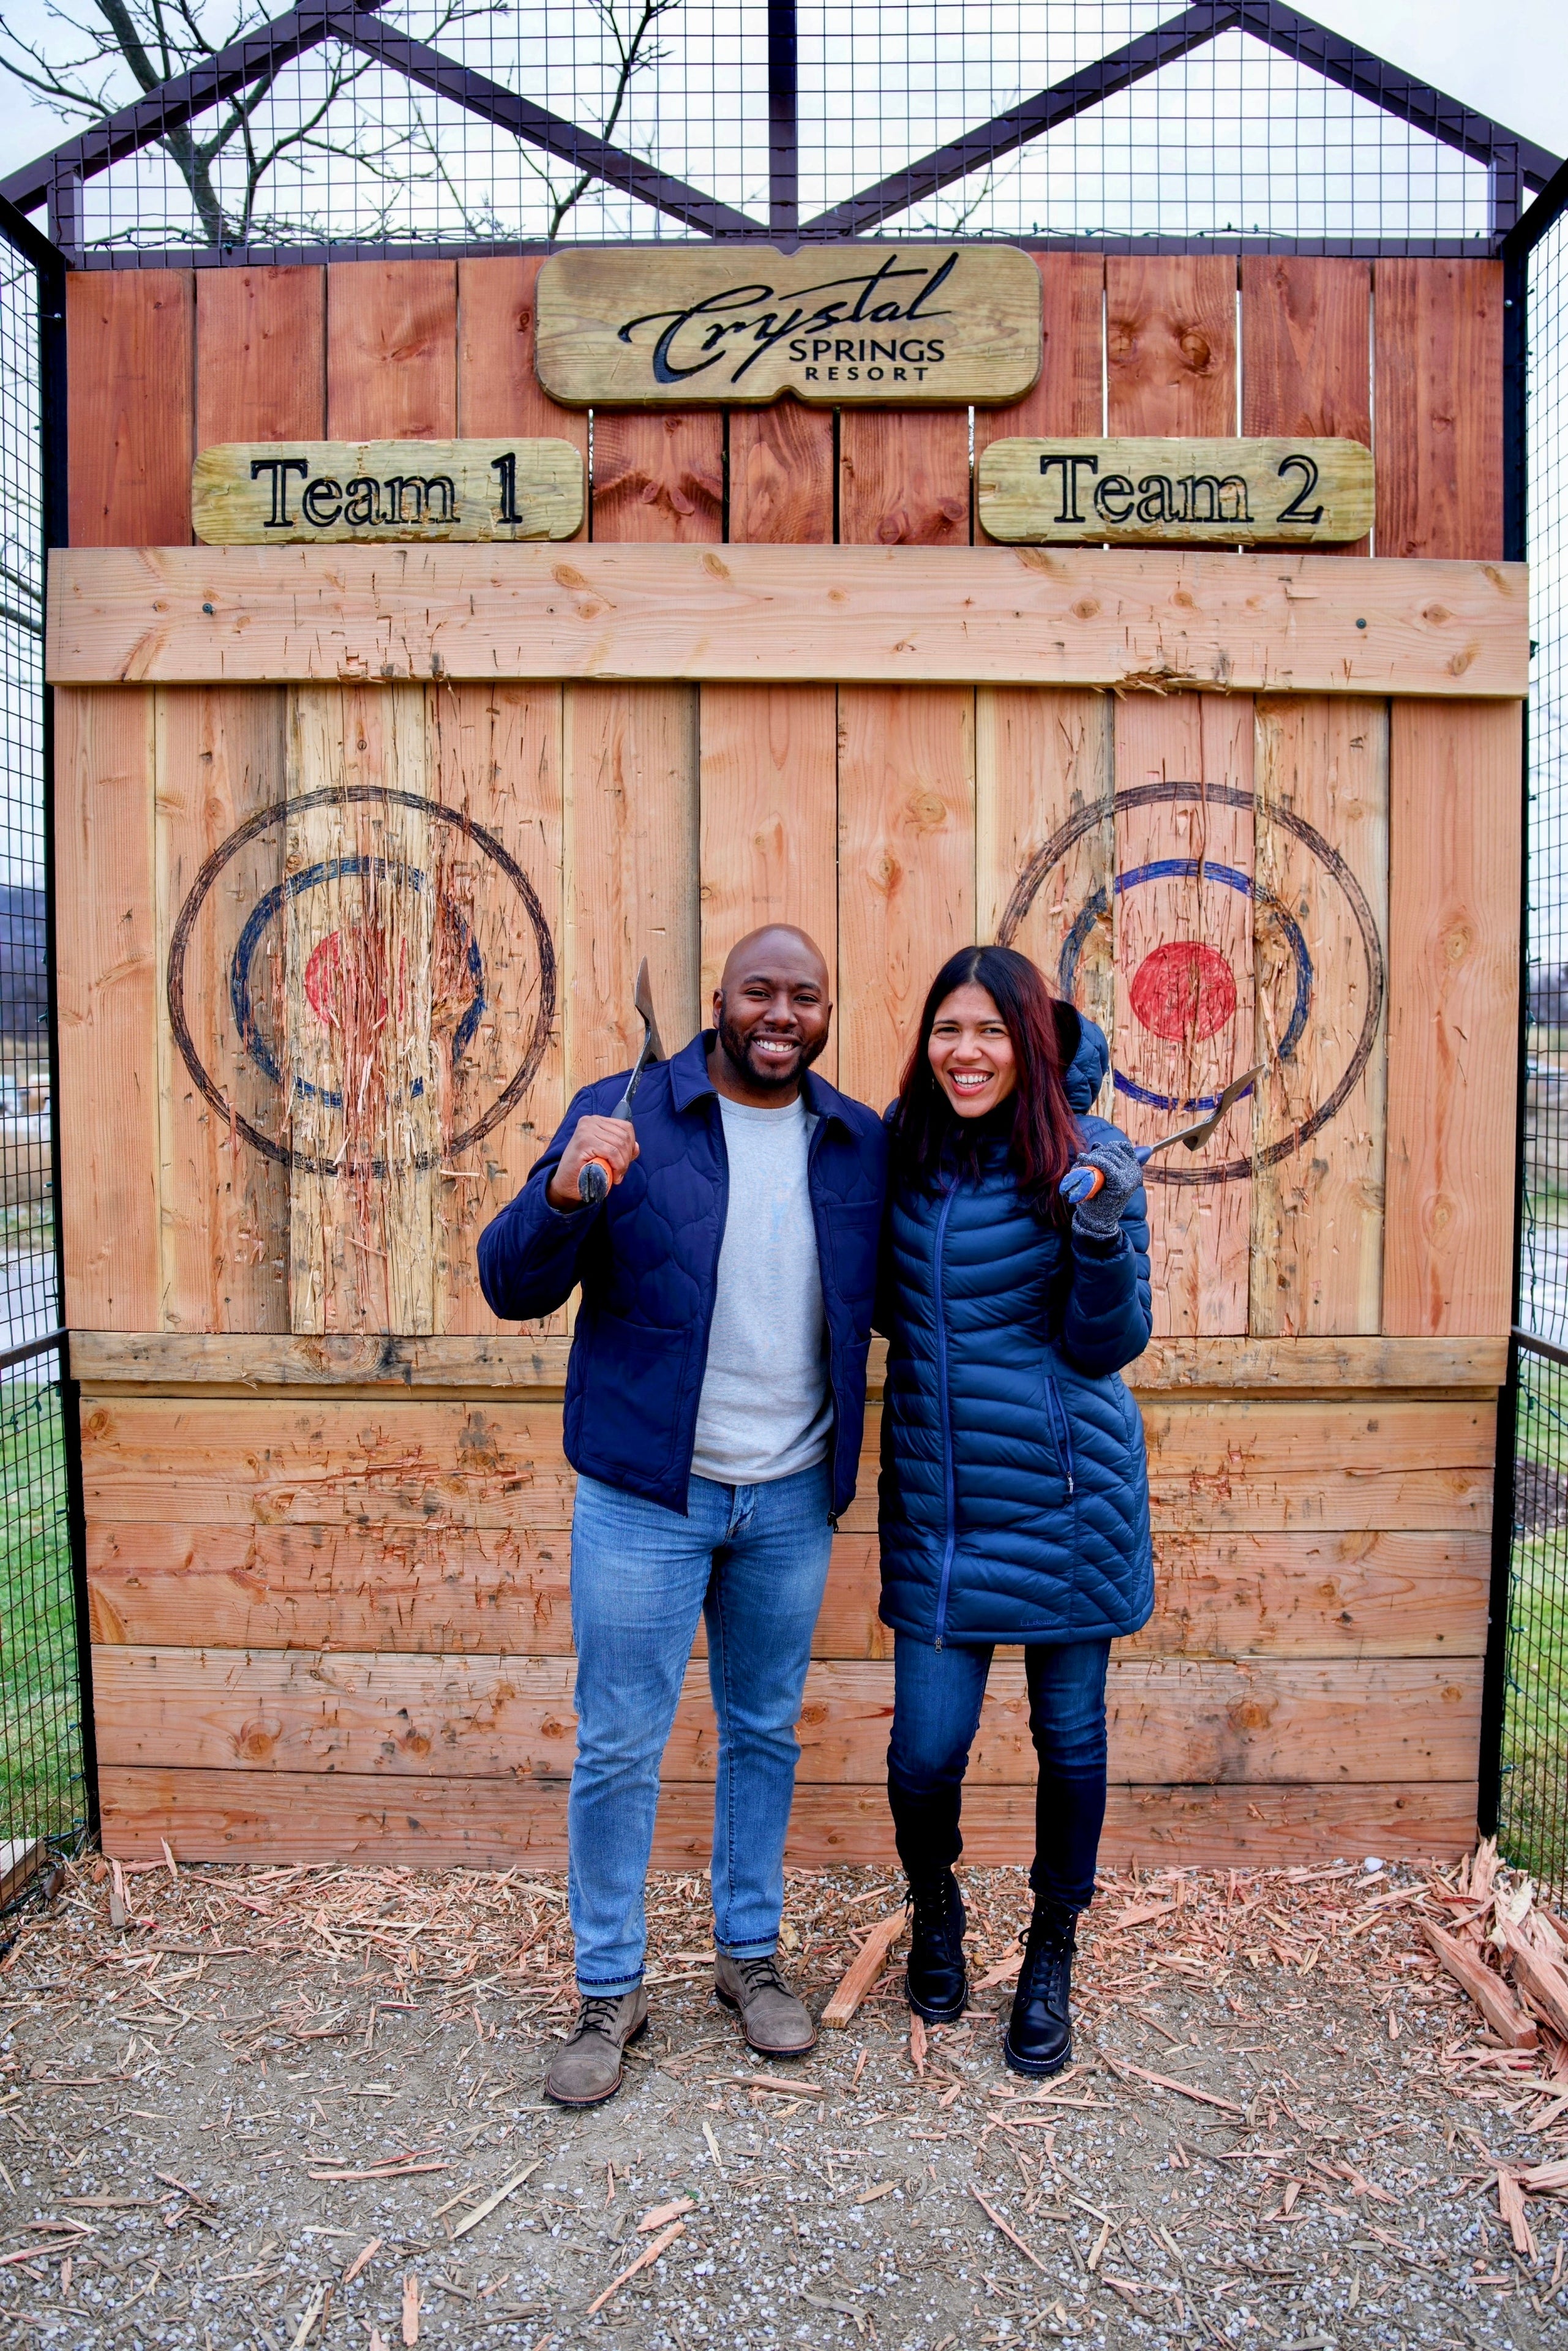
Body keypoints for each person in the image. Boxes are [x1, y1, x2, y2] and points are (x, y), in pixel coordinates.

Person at [478, 925, 887, 2108]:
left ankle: (747, 1958)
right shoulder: (621, 1112)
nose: (782, 1014)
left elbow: (907, 1289)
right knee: (619, 1743)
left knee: (763, 1731)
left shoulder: (855, 1139)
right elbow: (510, 1284)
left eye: (805, 996)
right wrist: (562, 1191)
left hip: (791, 1497)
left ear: (826, 1013)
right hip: (644, 1497)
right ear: (718, 1000)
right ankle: (609, 1987)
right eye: (760, 991)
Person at [877, 943, 1152, 2078]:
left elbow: (1107, 1343)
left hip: (1066, 1501)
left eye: (990, 1030)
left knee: (1067, 1738)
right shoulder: (903, 1149)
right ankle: (934, 1901)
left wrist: (1100, 1235)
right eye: (949, 1028)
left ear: (1030, 1041)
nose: (967, 1051)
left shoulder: (1088, 1158)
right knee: (924, 1753)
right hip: (942, 1507)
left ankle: (1051, 1947)